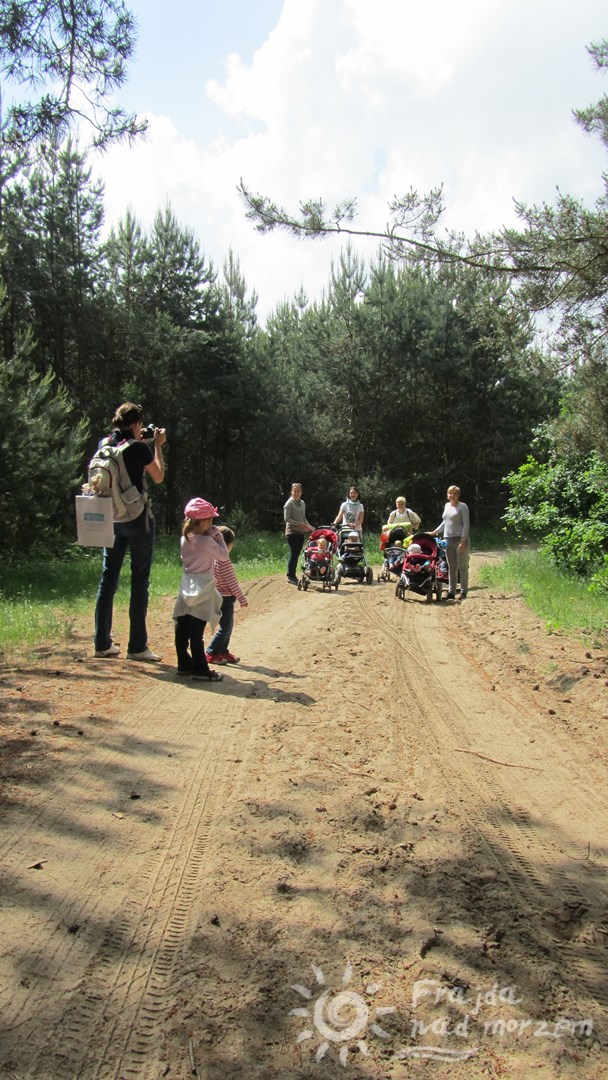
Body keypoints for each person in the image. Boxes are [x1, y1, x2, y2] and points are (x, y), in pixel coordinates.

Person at [94, 402, 166, 661]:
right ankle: (137, 647)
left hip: (110, 518)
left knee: (108, 578)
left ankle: (102, 643)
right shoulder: (138, 448)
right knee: (139, 580)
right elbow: (158, 476)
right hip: (137, 518)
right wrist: (156, 445)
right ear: (136, 424)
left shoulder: (105, 444)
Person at [173, 499, 229, 681]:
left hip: (186, 584)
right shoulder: (207, 542)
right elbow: (223, 556)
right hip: (203, 586)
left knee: (182, 626)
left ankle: (183, 663)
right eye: (211, 520)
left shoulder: (184, 538)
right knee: (197, 631)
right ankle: (200, 669)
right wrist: (218, 537)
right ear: (204, 522)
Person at [206, 525, 249, 665]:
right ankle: (211, 652)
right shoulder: (224, 561)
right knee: (226, 627)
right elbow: (232, 582)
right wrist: (241, 598)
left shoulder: (212, 558)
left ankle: (222, 651)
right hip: (224, 599)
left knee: (226, 626)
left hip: (216, 596)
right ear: (227, 544)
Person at [430, 485, 470, 600]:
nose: (452, 495)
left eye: (454, 493)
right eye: (450, 493)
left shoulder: (463, 507)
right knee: (451, 566)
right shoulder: (447, 506)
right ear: (447, 495)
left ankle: (463, 592)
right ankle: (451, 592)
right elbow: (445, 523)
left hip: (460, 539)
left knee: (462, 566)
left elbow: (466, 525)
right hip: (448, 539)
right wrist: (435, 532)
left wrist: (463, 541)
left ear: (458, 495)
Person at [284, 482, 314, 585]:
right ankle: (290, 575)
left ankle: (294, 574)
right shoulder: (289, 504)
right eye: (294, 491)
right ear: (291, 492)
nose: (296, 493)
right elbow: (287, 519)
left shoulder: (302, 503)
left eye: (298, 491)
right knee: (294, 553)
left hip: (300, 532)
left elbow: (303, 518)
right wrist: (301, 524)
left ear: (301, 492)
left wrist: (309, 526)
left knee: (297, 554)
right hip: (291, 532)